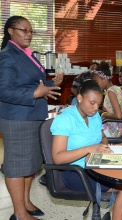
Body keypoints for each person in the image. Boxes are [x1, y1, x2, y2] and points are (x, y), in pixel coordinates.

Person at [51, 80, 122, 220]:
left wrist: (106, 147)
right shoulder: (65, 120)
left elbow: (103, 138)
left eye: (99, 104)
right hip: (76, 172)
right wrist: (89, 149)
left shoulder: (94, 116)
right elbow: (58, 158)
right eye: (92, 103)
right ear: (80, 98)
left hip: (97, 165)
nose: (96, 108)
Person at [0, 16, 62, 220]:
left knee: (30, 164)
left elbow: (33, 82)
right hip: (17, 119)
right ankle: (19, 213)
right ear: (10, 31)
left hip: (33, 115)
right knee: (17, 166)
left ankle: (25, 202)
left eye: (30, 31)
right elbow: (4, 91)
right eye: (23, 30)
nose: (28, 34)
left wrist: (52, 82)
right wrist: (34, 94)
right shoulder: (7, 56)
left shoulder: (26, 54)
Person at [92, 62, 122, 138]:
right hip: (117, 125)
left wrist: (104, 114)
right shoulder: (116, 88)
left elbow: (119, 116)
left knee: (88, 130)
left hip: (115, 129)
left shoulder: (111, 92)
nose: (96, 85)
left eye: (96, 82)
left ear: (105, 79)